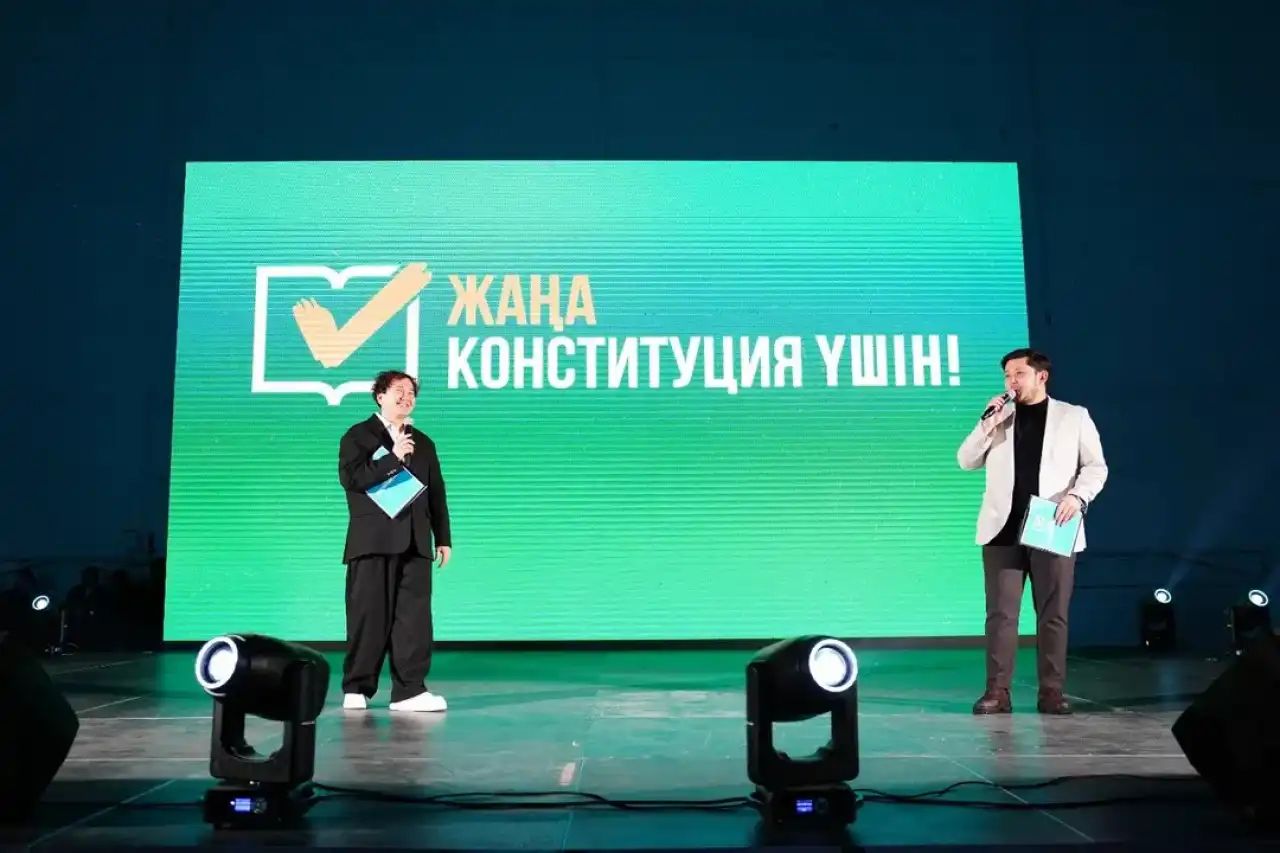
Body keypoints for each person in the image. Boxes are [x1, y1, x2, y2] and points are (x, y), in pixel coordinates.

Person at [956, 348, 1107, 715]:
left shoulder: (1073, 416)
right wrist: (986, 424)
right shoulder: (1000, 418)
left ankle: (1051, 692)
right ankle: (997, 692)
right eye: (1007, 375)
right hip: (1002, 529)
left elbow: (1096, 467)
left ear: (1042, 376)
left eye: (1019, 374)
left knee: (1053, 614)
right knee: (1001, 615)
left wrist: (1077, 497)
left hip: (1052, 525)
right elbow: (965, 461)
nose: (1012, 382)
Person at [338, 370, 452, 712]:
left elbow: (436, 492)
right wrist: (393, 458)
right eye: (399, 391)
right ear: (380, 396)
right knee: (368, 616)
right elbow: (352, 479)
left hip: (415, 541)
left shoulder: (424, 442)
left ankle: (409, 691)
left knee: (414, 621)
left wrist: (443, 537)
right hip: (372, 541)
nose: (407, 397)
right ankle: (357, 687)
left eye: (411, 392)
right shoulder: (358, 435)